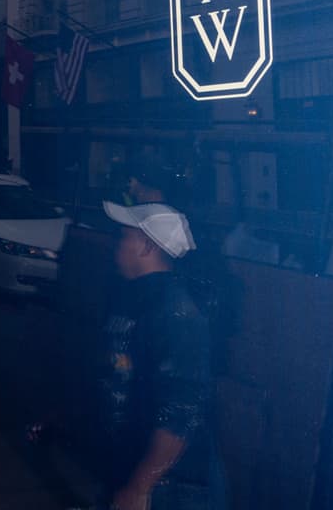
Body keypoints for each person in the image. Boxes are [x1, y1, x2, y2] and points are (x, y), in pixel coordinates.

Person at [99, 200, 225, 510]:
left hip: (170, 488)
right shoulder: (137, 298)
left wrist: (140, 486)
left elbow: (181, 411)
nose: (116, 244)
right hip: (135, 468)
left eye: (124, 236)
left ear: (146, 246)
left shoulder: (176, 313)